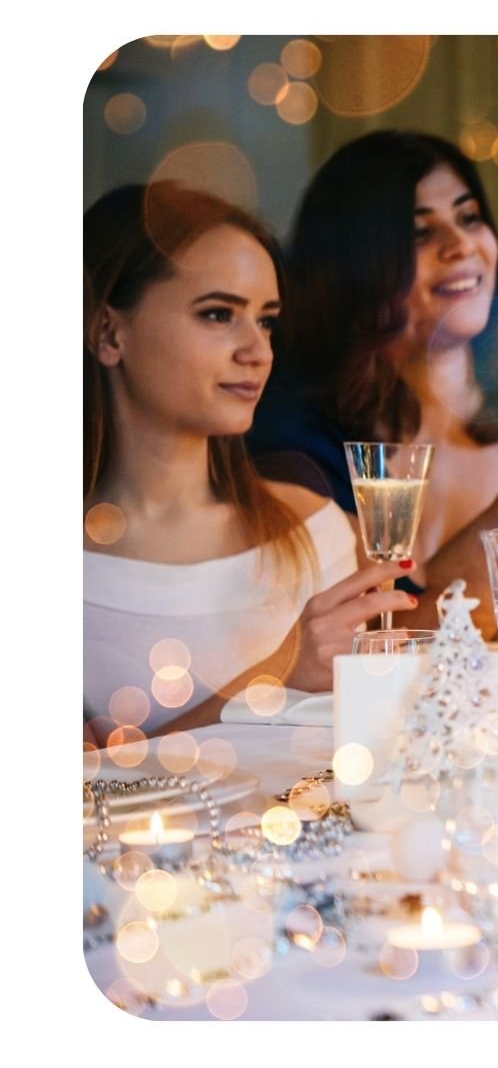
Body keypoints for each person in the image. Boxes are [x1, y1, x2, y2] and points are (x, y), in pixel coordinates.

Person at [248, 131, 498, 635]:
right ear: (354, 263)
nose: (461, 246)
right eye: (419, 233)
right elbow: (379, 644)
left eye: (469, 218)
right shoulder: (298, 447)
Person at [85, 182, 411, 742]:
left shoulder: (317, 531)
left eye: (265, 320)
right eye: (217, 315)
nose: (257, 351)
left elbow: (376, 753)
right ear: (109, 332)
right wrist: (278, 675)